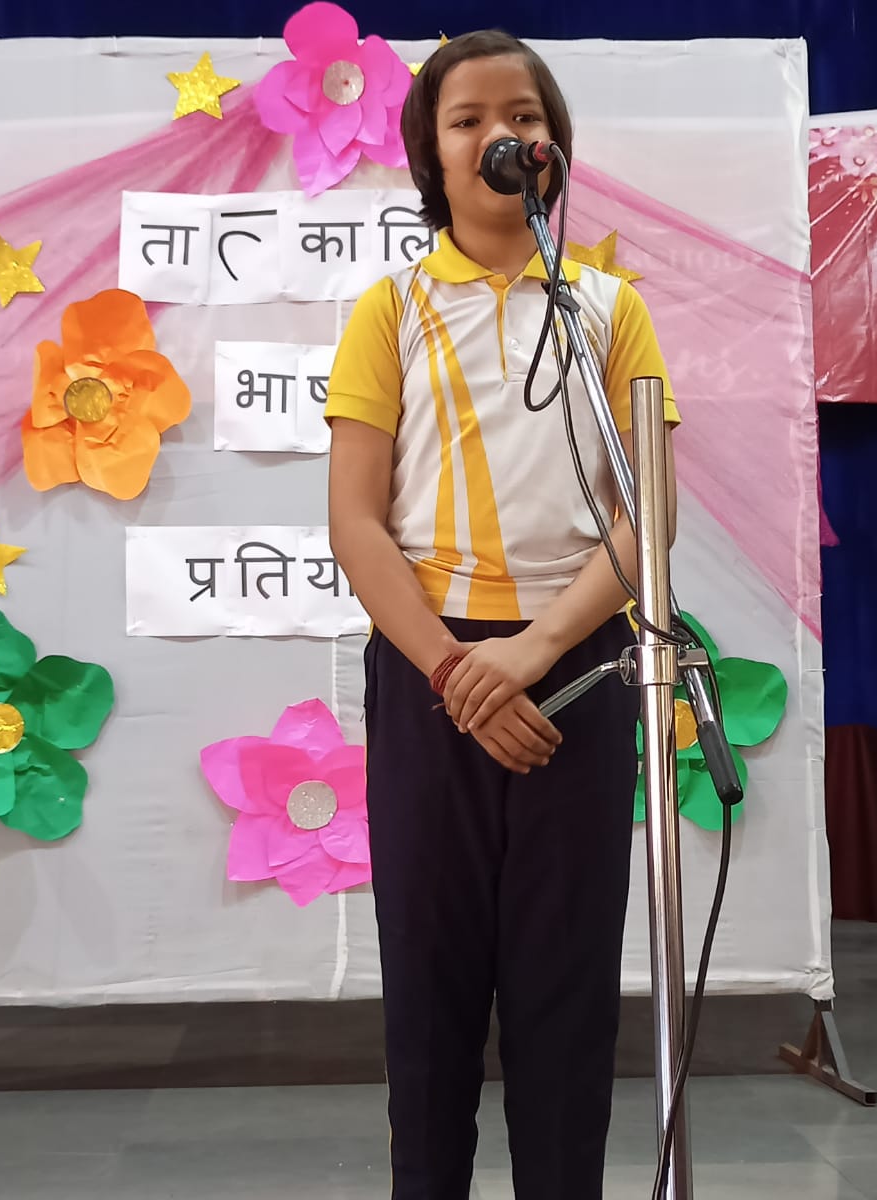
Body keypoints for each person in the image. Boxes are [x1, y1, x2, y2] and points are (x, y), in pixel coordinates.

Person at [325, 28, 680, 1200]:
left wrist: (535, 651)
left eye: (522, 116)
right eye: (469, 119)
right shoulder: (389, 311)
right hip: (430, 674)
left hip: (578, 664)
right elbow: (357, 525)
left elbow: (647, 515)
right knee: (430, 995)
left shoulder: (609, 310)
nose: (501, 136)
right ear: (432, 154)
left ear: (554, 144)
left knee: (565, 990)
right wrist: (453, 671)